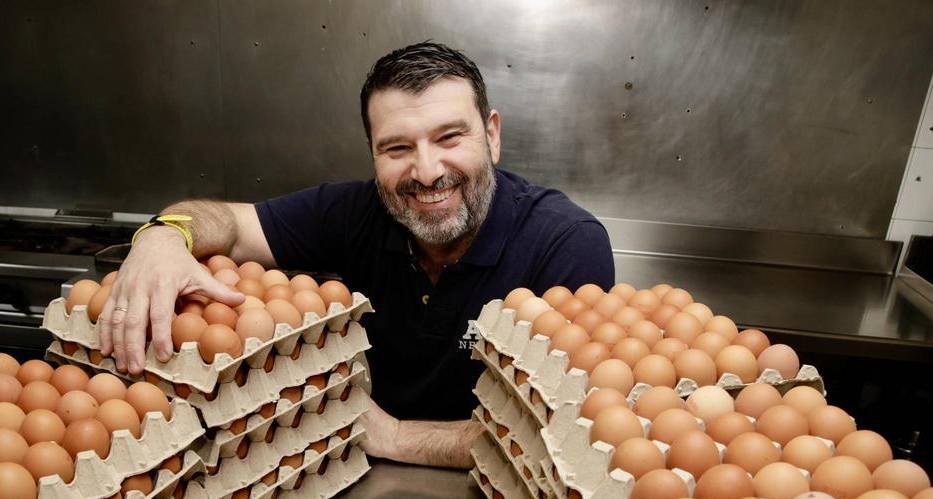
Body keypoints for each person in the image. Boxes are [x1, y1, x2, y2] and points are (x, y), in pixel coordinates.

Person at [99, 42, 614, 468]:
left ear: (492, 135)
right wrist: (164, 234)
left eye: (450, 137)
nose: (428, 171)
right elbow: (230, 226)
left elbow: (566, 440)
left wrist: (393, 436)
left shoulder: (563, 244)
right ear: (372, 153)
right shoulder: (357, 211)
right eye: (397, 149)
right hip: (357, 481)